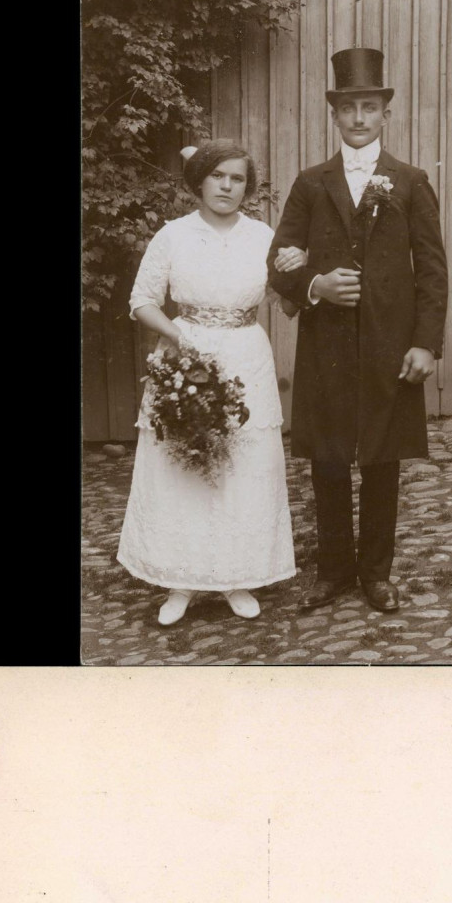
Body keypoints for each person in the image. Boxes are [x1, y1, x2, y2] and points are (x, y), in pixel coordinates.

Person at [268, 47, 448, 613]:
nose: (360, 118)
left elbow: (433, 270)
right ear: (335, 115)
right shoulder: (310, 183)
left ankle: (376, 574)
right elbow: (279, 258)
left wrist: (426, 341)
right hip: (327, 348)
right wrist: (315, 287)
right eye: (349, 108)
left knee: (380, 460)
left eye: (370, 107)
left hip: (389, 347)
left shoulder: (410, 182)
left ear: (384, 114)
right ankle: (334, 573)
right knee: (327, 458)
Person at [117, 140, 302, 625]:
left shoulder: (264, 236)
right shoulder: (173, 236)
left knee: (244, 463)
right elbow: (142, 301)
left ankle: (238, 577)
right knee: (184, 462)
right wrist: (180, 338)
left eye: (237, 178)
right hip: (185, 356)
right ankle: (182, 581)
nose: (226, 186)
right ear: (198, 181)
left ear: (248, 187)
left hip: (246, 355)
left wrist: (297, 271)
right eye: (218, 175)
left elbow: (288, 301)